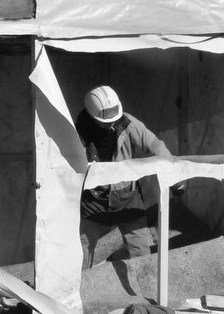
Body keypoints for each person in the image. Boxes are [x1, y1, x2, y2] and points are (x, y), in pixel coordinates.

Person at [75, 85, 182, 267]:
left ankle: (145, 291)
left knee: (141, 249)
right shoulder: (77, 132)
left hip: (127, 197)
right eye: (105, 121)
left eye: (114, 119)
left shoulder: (126, 123)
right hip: (92, 199)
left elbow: (156, 146)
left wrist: (176, 179)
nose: (111, 123)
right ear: (92, 117)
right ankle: (81, 291)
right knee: (83, 250)